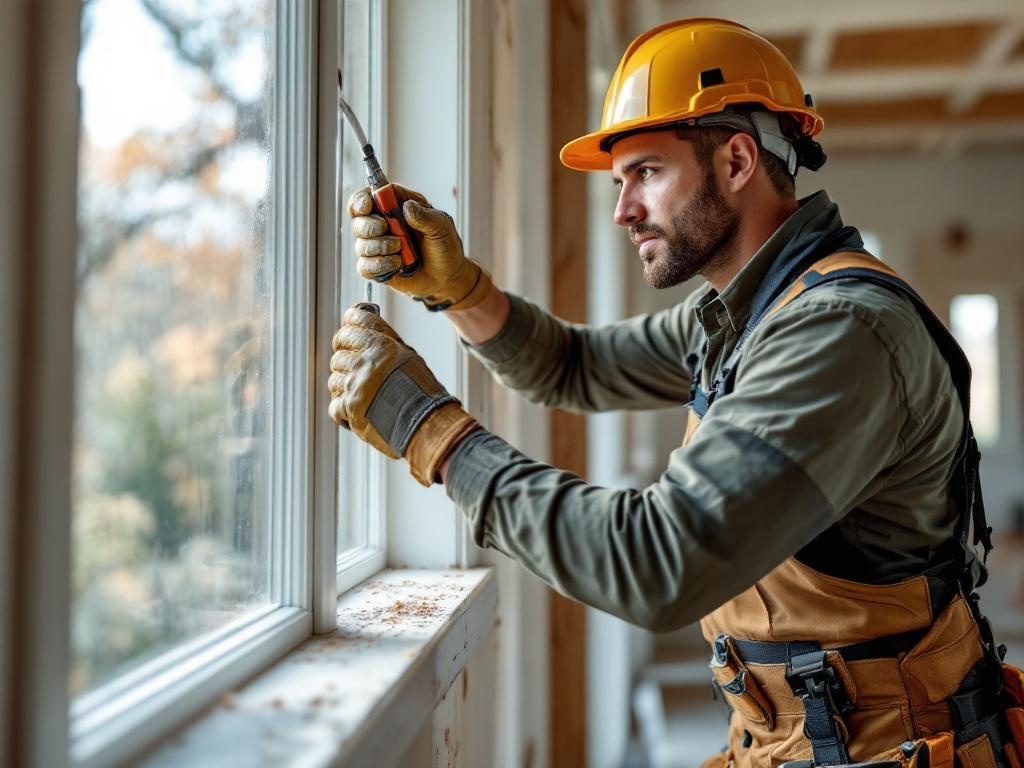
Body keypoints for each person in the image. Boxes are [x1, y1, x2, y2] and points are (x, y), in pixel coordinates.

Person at [327, 18, 1024, 768]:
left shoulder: (838, 333)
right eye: (620, 180)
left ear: (736, 159)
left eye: (647, 172)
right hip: (794, 737)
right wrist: (458, 290)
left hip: (889, 747)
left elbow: (657, 565)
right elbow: (572, 365)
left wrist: (424, 427)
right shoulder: (744, 311)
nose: (623, 209)